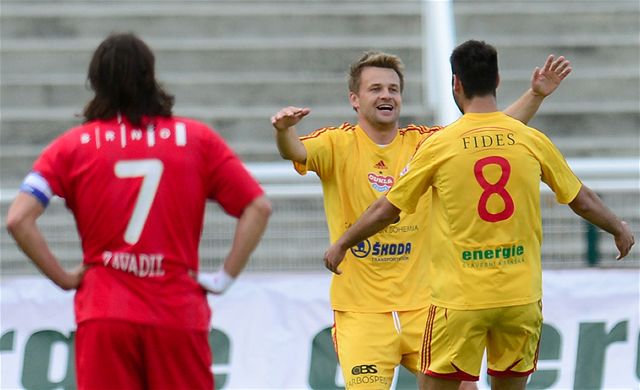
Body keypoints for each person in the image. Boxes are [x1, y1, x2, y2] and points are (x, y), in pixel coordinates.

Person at [323, 40, 635, 390]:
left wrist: (343, 243)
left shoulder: (439, 145)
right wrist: (618, 227)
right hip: (520, 297)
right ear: (498, 80)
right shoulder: (529, 139)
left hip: (460, 301)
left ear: (456, 83)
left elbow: (386, 210)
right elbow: (583, 199)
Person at [271, 49, 571, 388]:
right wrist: (284, 130)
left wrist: (535, 94)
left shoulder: (428, 144)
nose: (386, 95)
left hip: (426, 307)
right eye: (375, 89)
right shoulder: (336, 144)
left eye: (393, 89)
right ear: (355, 99)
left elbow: (496, 129)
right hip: (362, 311)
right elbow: (295, 151)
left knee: (464, 387)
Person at [5, 32, 272, 390]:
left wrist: (63, 278)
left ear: (96, 82)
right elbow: (258, 206)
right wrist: (223, 278)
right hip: (176, 312)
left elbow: (18, 218)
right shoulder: (196, 140)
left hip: (105, 312)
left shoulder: (71, 146)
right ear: (151, 77)